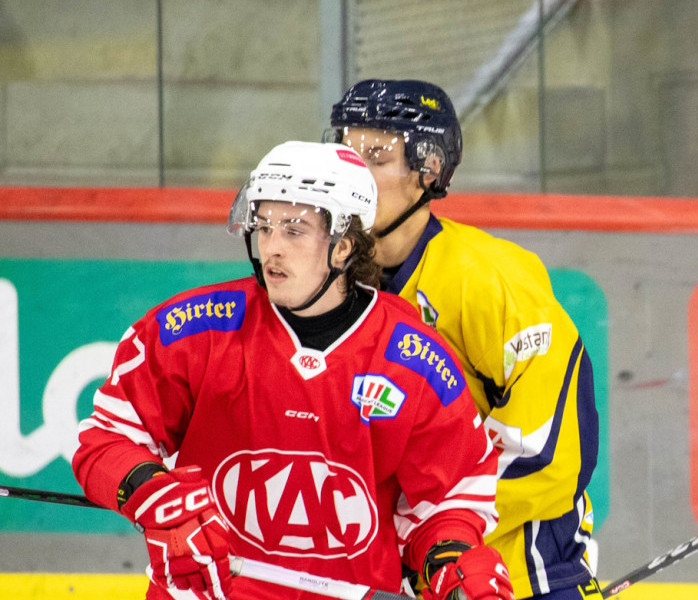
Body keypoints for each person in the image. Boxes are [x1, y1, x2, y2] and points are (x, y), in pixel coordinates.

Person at [70, 141, 510, 600]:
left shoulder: (414, 358)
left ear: (343, 246)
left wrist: (451, 563)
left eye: (294, 231)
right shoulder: (194, 331)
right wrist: (153, 492)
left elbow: (449, 499)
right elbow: (106, 440)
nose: (271, 248)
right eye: (263, 227)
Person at [326, 79, 604, 600]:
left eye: (376, 156)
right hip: (403, 576)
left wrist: (432, 532)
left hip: (518, 574)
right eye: (344, 151)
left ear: (428, 171)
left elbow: (552, 449)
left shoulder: (490, 279)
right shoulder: (325, 283)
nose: (351, 174)